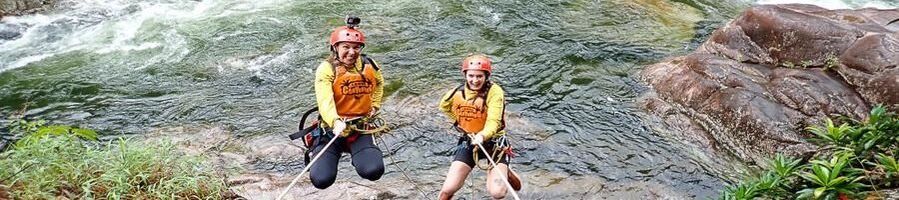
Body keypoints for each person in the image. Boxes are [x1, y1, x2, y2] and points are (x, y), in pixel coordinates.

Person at [308, 16, 385, 189]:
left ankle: (359, 155)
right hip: (331, 130)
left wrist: (375, 105)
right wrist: (335, 121)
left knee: (373, 171)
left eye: (356, 47)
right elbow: (324, 100)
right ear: (335, 48)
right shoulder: (326, 69)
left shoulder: (369, 64)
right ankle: (322, 153)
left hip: (360, 128)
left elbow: (379, 84)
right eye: (346, 47)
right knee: (321, 180)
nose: (352, 52)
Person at [438, 54, 520, 200]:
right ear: (465, 75)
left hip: (495, 143)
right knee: (447, 189)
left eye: (479, 76)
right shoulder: (458, 91)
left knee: (497, 193)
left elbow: (493, 122)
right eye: (471, 76)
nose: (475, 80)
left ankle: (505, 170)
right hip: (469, 140)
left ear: (486, 76)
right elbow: (444, 106)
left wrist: (482, 135)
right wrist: (459, 122)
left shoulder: (495, 92)